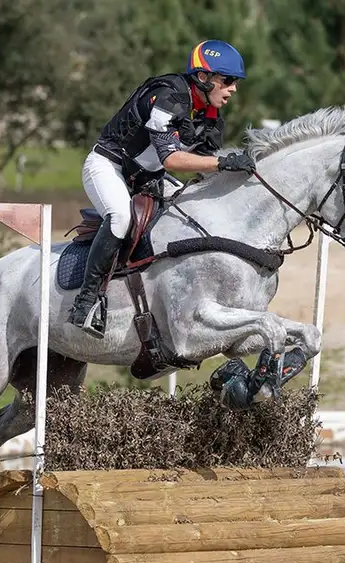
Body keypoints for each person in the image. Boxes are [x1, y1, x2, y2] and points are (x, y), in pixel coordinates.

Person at [68, 39, 258, 339]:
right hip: (108, 166)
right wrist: (221, 164)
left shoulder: (209, 114)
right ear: (203, 77)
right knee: (120, 217)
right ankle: (87, 302)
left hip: (147, 177)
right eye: (228, 80)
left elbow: (200, 165)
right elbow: (172, 158)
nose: (233, 88)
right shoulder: (168, 97)